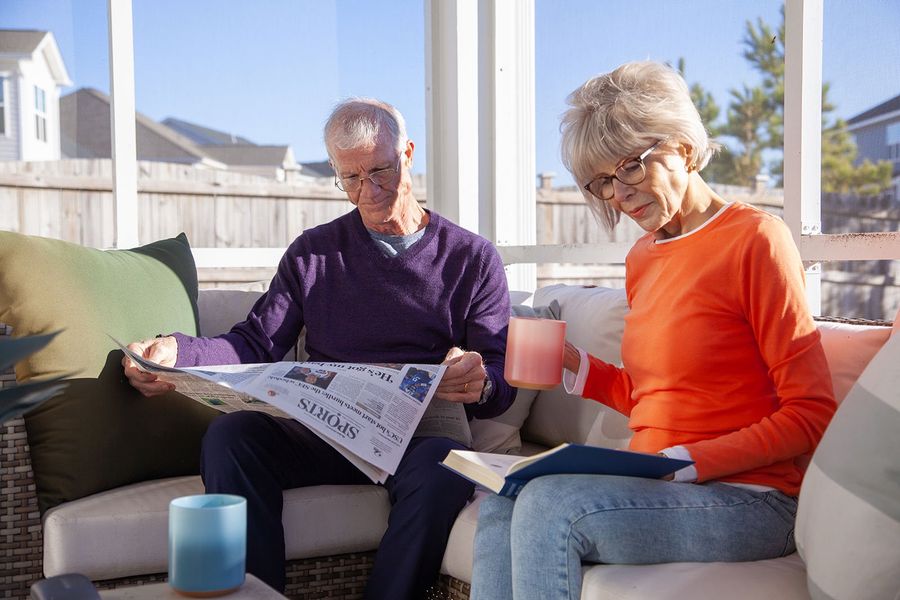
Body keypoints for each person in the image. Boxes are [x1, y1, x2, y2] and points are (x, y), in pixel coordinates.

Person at [469, 61, 837, 600]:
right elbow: (652, 396)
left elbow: (811, 413)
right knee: (502, 503)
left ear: (683, 147)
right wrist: (576, 364)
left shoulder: (756, 239)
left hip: (750, 498)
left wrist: (682, 463)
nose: (618, 194)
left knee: (549, 508)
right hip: (654, 479)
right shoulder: (643, 257)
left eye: (630, 169)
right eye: (603, 182)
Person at [122, 98, 515, 600]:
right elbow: (255, 342)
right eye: (350, 178)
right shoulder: (313, 252)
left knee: (447, 465)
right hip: (326, 431)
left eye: (380, 171)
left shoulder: (472, 258)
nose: (368, 191)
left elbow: (500, 381)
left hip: (416, 441)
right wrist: (179, 354)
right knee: (232, 436)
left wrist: (480, 381)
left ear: (408, 154)